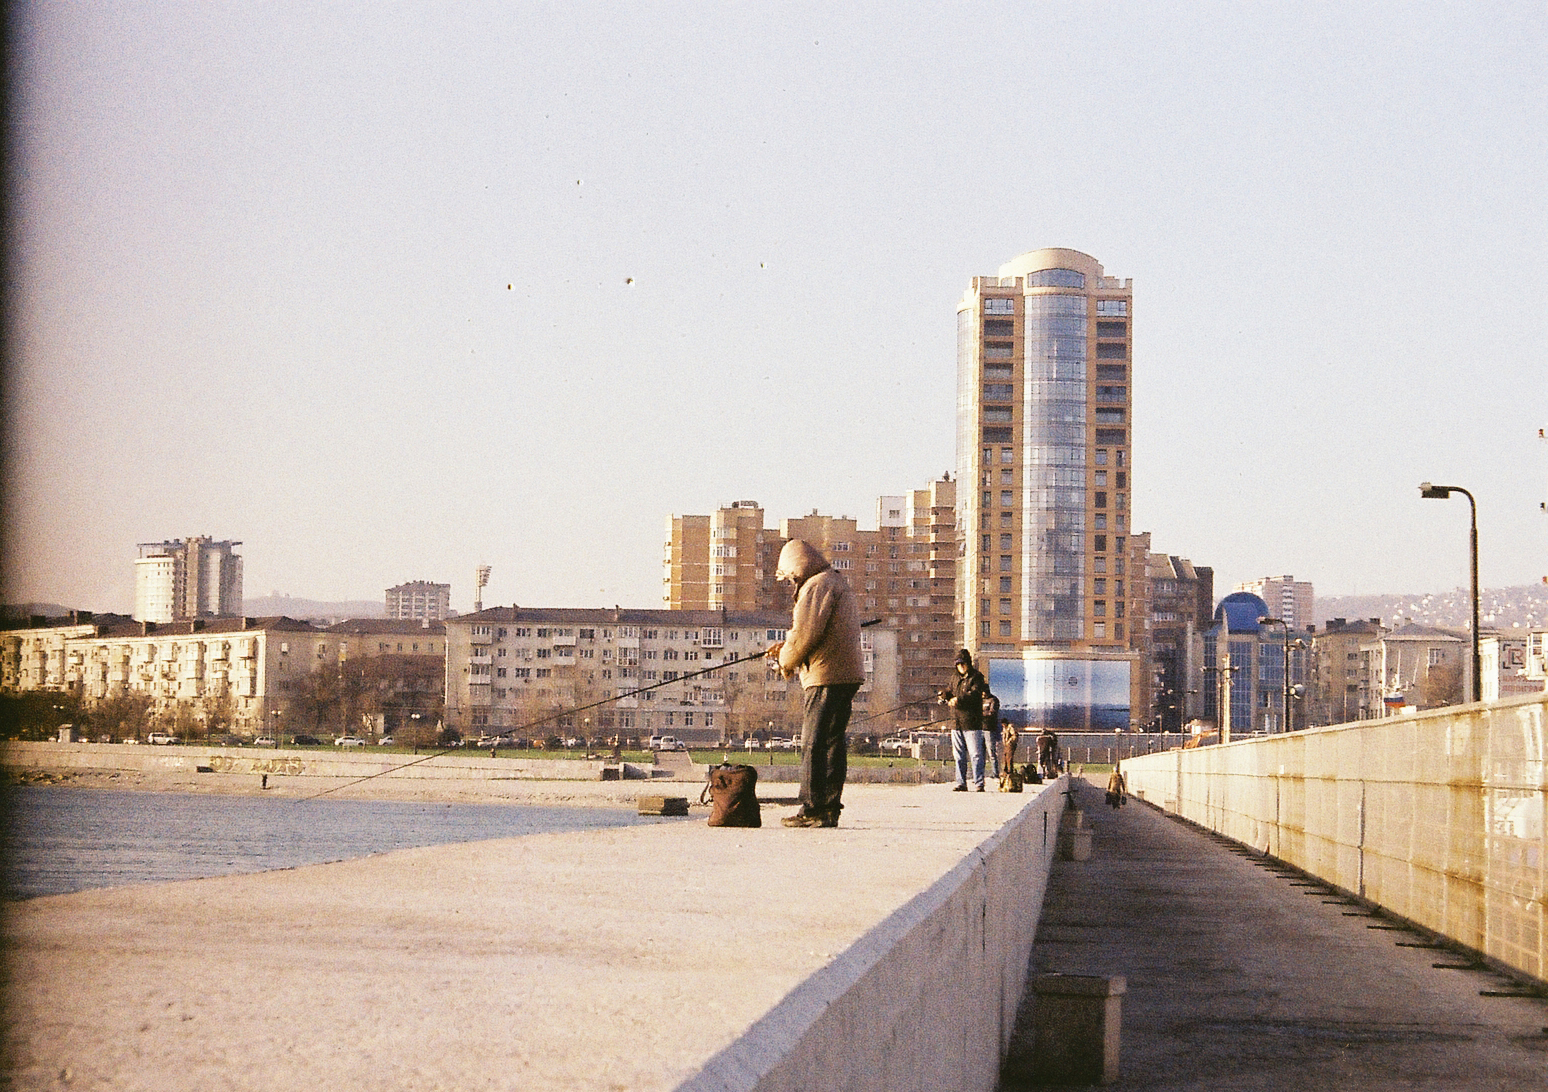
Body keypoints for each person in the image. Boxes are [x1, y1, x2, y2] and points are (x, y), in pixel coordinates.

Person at [764, 539, 864, 828]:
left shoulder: (816, 586)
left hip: (825, 676)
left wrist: (785, 659)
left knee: (813, 743)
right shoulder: (834, 582)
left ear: (797, 569)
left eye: (789, 577)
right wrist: (788, 648)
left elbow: (805, 634)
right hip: (844, 674)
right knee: (832, 742)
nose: (790, 583)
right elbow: (820, 632)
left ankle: (812, 808)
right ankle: (829, 807)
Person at [941, 649, 988, 791]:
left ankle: (979, 783)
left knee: (976, 755)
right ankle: (961, 783)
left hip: (972, 723)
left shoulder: (977, 677)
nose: (960, 666)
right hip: (956, 722)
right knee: (959, 756)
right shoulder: (954, 677)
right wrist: (944, 695)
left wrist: (958, 700)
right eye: (958, 664)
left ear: (968, 663)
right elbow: (949, 690)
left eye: (963, 663)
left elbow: (974, 694)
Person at [982, 691, 1003, 781]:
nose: (983, 695)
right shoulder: (980, 700)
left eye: (983, 693)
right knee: (979, 754)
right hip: (979, 729)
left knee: (991, 752)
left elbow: (992, 712)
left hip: (989, 729)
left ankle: (995, 774)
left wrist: (980, 714)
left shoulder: (993, 700)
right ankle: (979, 775)